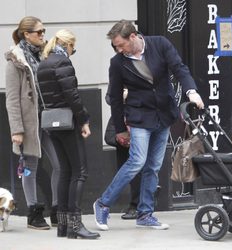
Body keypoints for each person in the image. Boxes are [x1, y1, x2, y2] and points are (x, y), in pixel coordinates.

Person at [93, 20, 204, 231]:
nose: (118, 49)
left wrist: (191, 91)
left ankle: (145, 213)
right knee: (137, 161)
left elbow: (179, 68)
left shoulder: (160, 44)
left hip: (163, 115)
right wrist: (120, 129)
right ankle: (103, 203)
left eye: (120, 44)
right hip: (139, 116)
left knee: (153, 166)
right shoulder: (118, 62)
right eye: (116, 46)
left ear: (133, 37)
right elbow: (116, 98)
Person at [36, 29, 100, 239]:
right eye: (74, 48)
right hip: (68, 122)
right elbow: (72, 95)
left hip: (51, 123)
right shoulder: (62, 63)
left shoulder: (43, 63)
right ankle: (75, 225)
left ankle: (63, 226)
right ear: (68, 45)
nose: (73, 52)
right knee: (79, 172)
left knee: (65, 171)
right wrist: (84, 120)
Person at [5, 16, 51, 230]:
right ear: (26, 34)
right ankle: (33, 212)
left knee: (59, 163)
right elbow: (12, 99)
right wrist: (17, 130)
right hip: (30, 122)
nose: (43, 35)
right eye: (39, 32)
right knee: (30, 167)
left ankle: (59, 208)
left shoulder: (45, 54)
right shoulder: (15, 59)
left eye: (43, 31)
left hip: (51, 118)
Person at [105, 85, 141, 220]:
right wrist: (120, 96)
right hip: (122, 128)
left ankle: (136, 205)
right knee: (123, 168)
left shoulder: (143, 71)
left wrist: (130, 95)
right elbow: (108, 98)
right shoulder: (118, 73)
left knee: (138, 167)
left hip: (139, 125)